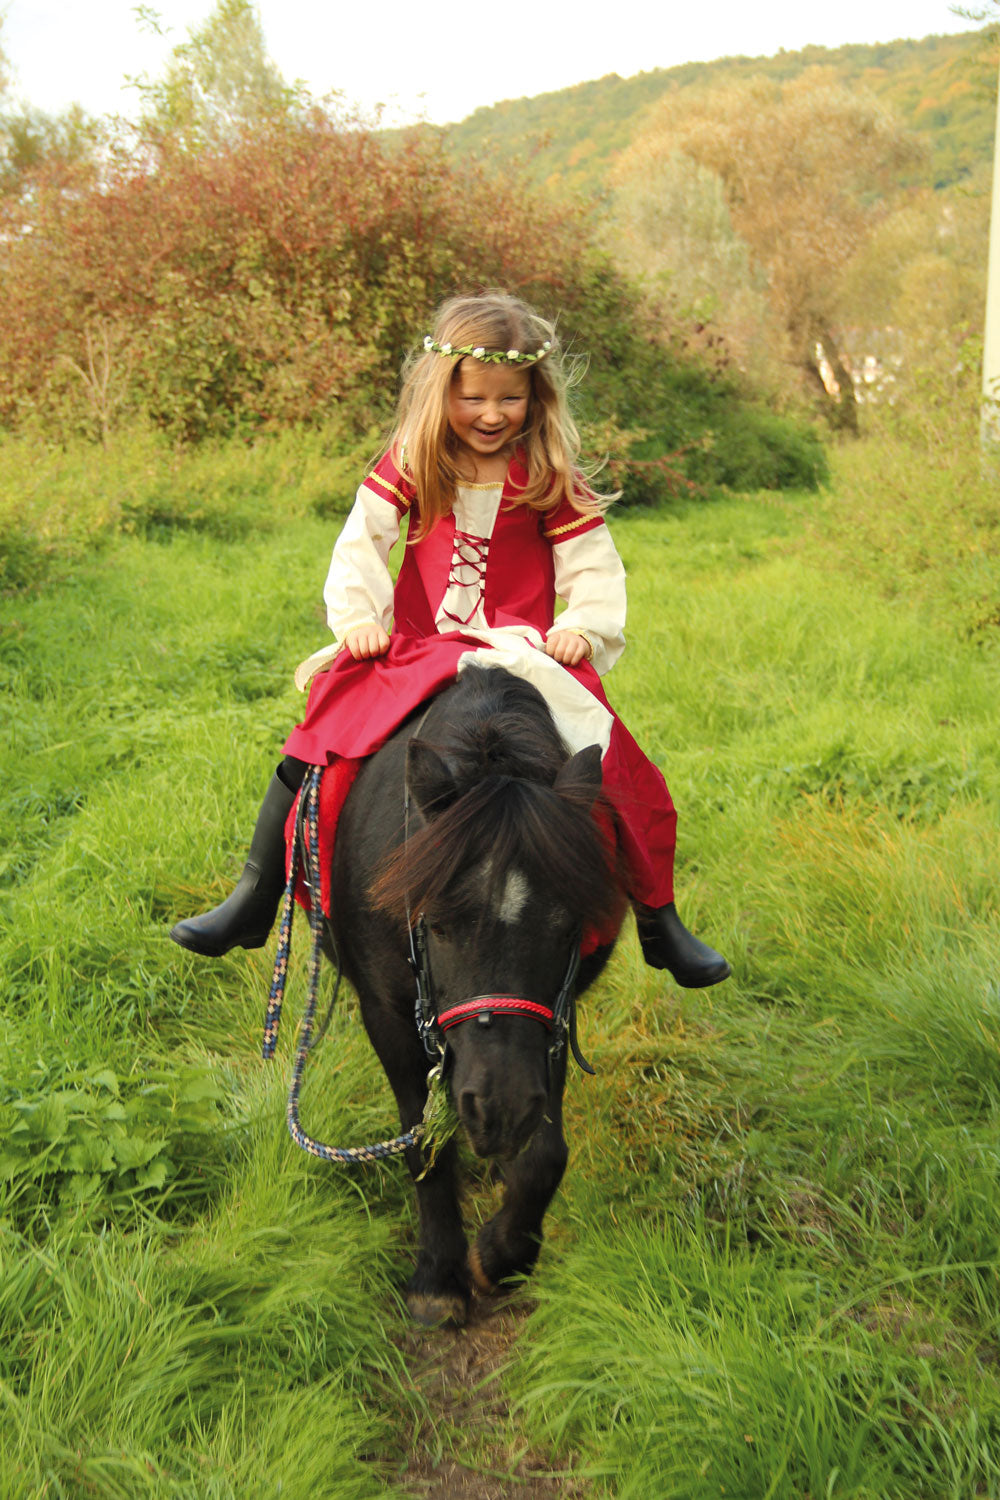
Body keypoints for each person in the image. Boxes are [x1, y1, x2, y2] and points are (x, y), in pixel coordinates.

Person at [170, 292, 730, 987]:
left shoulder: (548, 474)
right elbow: (362, 544)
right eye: (474, 398)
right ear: (443, 392)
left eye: (510, 398)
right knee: (321, 737)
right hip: (418, 645)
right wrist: (360, 621)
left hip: (524, 650)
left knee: (613, 761)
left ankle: (659, 918)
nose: (492, 415)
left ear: (535, 395)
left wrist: (581, 627)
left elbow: (592, 565)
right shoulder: (415, 460)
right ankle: (257, 893)